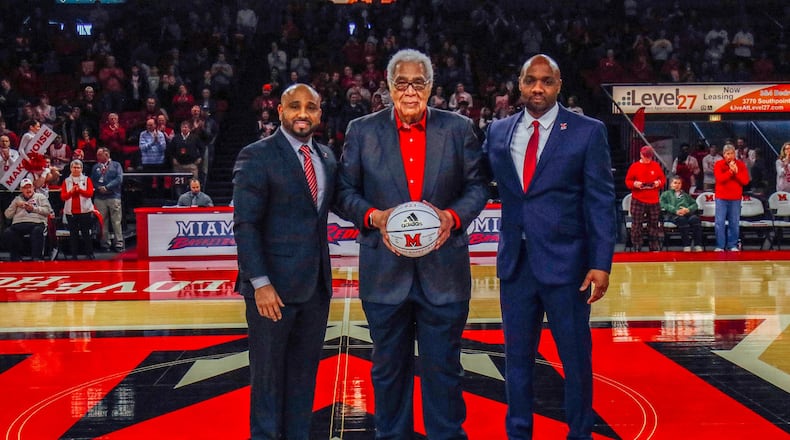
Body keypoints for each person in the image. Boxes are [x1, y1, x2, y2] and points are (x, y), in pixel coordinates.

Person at [336, 49, 488, 439]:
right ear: (388, 86)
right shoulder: (362, 131)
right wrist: (375, 217)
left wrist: (451, 219)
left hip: (445, 275)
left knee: (445, 372)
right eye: (401, 82)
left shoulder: (458, 129)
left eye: (418, 83)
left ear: (431, 87)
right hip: (385, 277)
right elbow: (344, 192)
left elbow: (476, 188)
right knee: (388, 373)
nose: (409, 91)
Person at [482, 54, 615, 439]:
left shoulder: (586, 131)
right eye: (530, 80)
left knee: (574, 361)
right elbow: (477, 183)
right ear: (519, 85)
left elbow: (600, 200)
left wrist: (601, 261)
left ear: (559, 86)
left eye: (546, 81)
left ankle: (579, 433)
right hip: (516, 266)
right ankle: (518, 433)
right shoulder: (498, 131)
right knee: (518, 362)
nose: (537, 88)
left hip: (569, 267)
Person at [232, 83, 336, 440]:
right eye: (294, 106)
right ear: (279, 111)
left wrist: (381, 217)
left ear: (320, 114)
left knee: (303, 378)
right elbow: (245, 224)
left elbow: (343, 204)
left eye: (310, 107)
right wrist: (259, 283)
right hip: (271, 292)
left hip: (315, 289)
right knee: (268, 380)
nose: (303, 113)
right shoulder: (256, 155)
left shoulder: (326, 158)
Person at [625, 145, 666, 251]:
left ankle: (653, 246)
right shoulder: (634, 167)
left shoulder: (656, 166)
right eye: (645, 157)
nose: (647, 159)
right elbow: (628, 181)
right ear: (641, 155)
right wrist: (635, 184)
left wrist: (657, 183)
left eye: (649, 157)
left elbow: (663, 179)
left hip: (653, 200)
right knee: (636, 224)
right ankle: (637, 246)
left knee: (653, 223)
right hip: (638, 199)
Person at [3, 178, 52, 261]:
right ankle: (16, 258)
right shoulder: (17, 199)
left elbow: (47, 211)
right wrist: (15, 205)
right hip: (19, 223)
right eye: (25, 188)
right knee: (8, 232)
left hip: (36, 222)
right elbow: (7, 215)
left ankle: (36, 258)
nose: (28, 189)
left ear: (33, 188)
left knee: (37, 231)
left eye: (30, 187)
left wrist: (33, 209)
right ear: (21, 189)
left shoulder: (40, 197)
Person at [714, 143, 750, 251]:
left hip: (735, 198)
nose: (730, 156)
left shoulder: (741, 165)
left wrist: (736, 172)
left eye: (732, 153)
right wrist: (730, 171)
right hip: (721, 198)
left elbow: (745, 181)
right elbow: (720, 179)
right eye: (727, 153)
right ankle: (720, 246)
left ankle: (732, 245)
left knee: (734, 222)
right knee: (719, 222)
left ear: (735, 154)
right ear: (724, 154)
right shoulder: (718, 164)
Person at [90, 147, 124, 252]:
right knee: (102, 222)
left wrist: (107, 187)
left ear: (107, 154)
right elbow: (92, 180)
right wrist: (99, 188)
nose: (97, 157)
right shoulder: (95, 166)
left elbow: (119, 178)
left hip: (114, 196)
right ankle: (105, 243)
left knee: (116, 221)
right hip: (100, 197)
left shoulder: (116, 165)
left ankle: (119, 243)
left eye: (100, 154)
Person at [60, 159, 95, 260]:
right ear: (71, 168)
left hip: (85, 211)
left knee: (86, 234)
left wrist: (79, 190)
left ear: (81, 169)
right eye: (74, 167)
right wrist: (71, 192)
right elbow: (63, 197)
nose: (76, 169)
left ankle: (90, 253)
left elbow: (90, 194)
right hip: (71, 212)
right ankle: (74, 255)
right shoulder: (66, 181)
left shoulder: (87, 179)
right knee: (73, 235)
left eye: (78, 167)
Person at [660, 176, 704, 252]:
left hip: (686, 213)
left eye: (679, 183)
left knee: (695, 219)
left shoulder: (685, 195)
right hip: (673, 215)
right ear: (671, 184)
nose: (677, 185)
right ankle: (686, 245)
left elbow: (695, 204)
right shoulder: (665, 194)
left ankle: (698, 245)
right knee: (682, 220)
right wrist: (675, 210)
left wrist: (688, 209)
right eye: (675, 183)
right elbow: (662, 204)